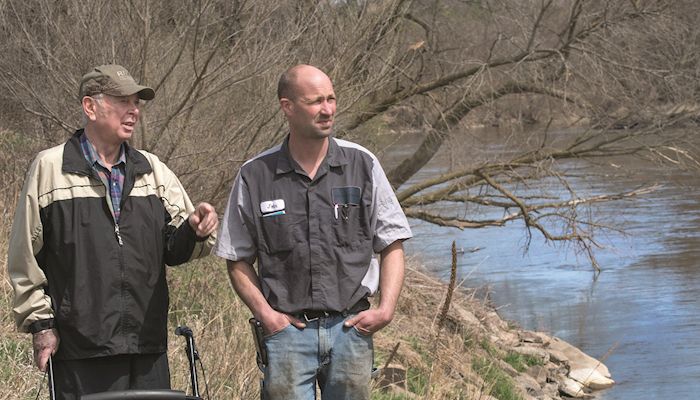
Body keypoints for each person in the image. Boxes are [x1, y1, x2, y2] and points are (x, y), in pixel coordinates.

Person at [7, 64, 218, 399]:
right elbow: (24, 258)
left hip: (147, 348)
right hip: (80, 350)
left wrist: (196, 230)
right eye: (123, 101)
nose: (134, 110)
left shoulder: (153, 170)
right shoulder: (49, 169)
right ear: (90, 107)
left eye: (137, 102)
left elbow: (177, 250)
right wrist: (41, 326)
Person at [215, 64, 412, 399]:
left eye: (331, 99)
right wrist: (267, 317)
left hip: (351, 329)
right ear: (287, 107)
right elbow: (237, 258)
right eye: (316, 101)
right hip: (288, 335)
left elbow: (391, 242)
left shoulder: (363, 165)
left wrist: (386, 308)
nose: (328, 110)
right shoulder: (255, 175)